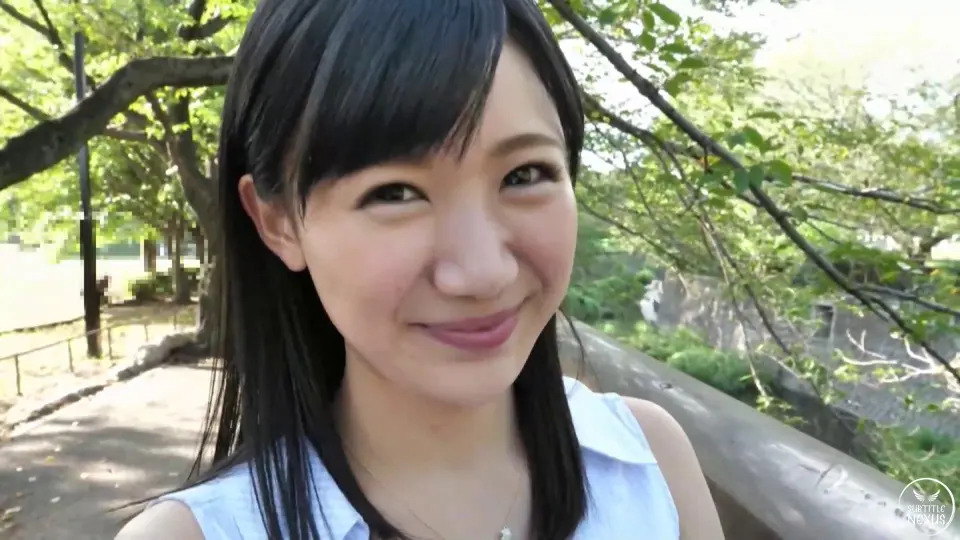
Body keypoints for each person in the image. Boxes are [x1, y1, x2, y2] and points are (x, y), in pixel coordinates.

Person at [116, 0, 724, 538]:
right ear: (278, 222)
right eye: (395, 193)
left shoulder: (651, 465)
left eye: (524, 175)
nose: (482, 273)